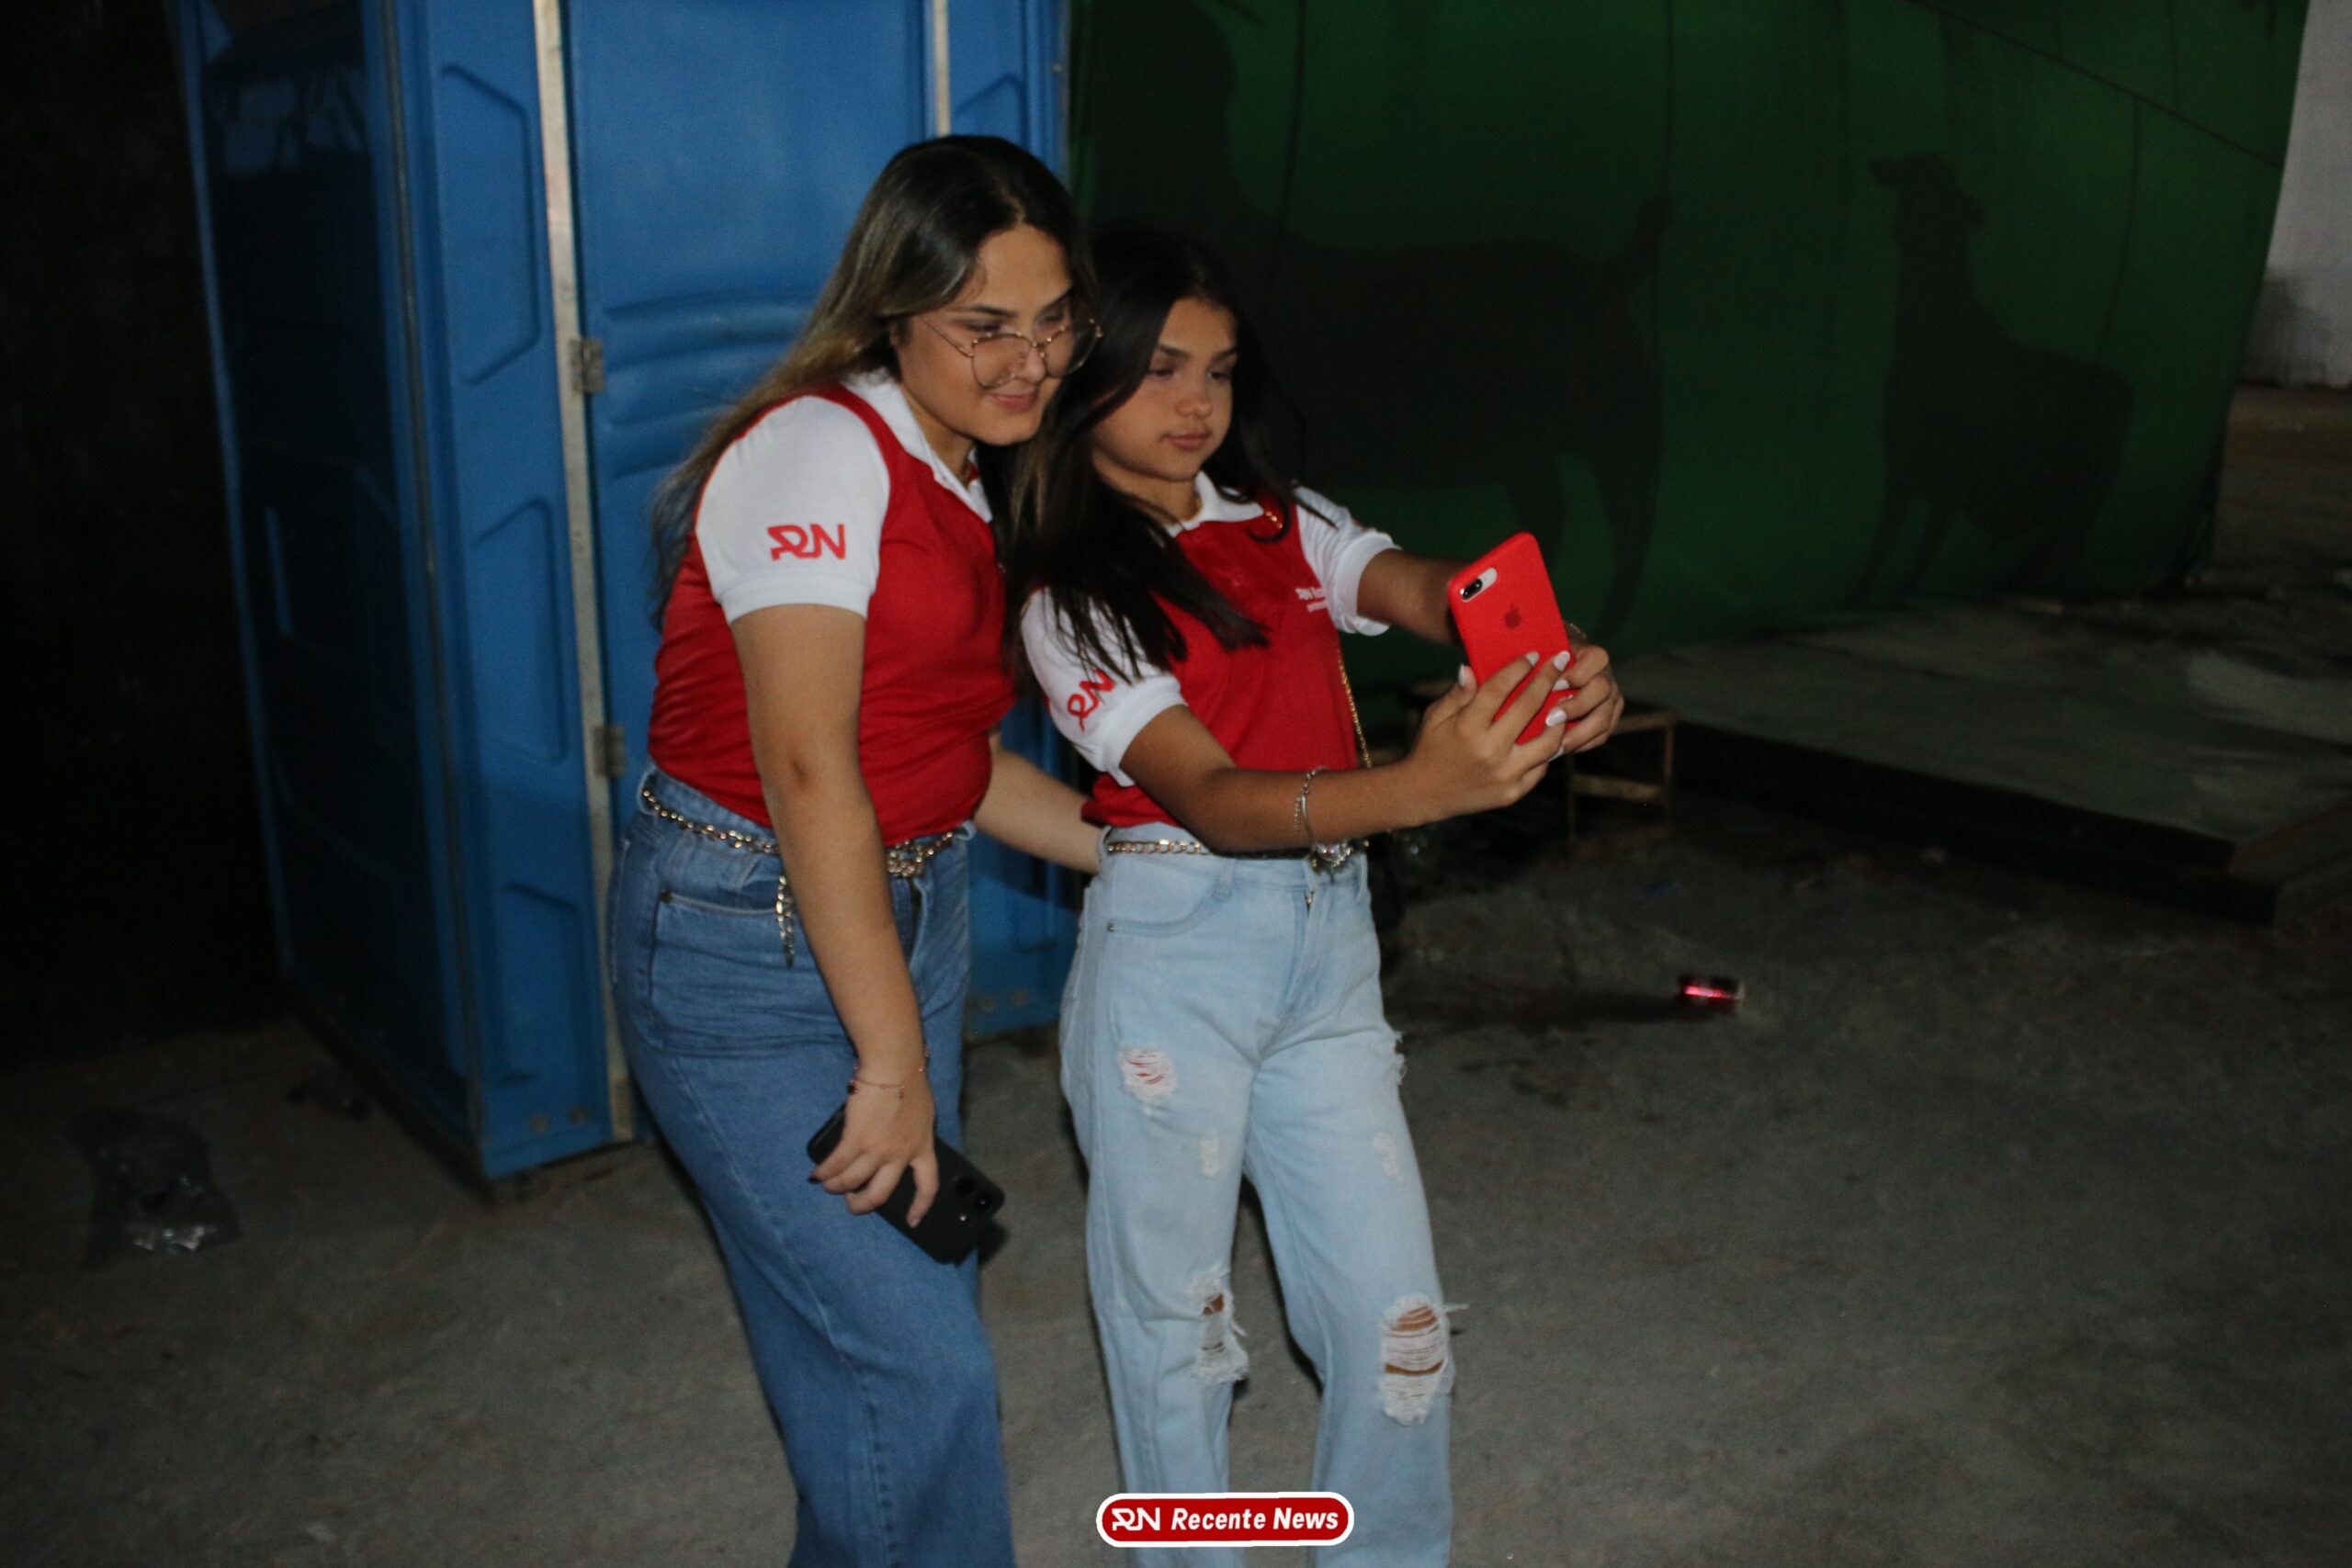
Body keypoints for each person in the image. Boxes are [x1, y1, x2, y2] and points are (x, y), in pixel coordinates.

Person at [1010, 226, 1625, 1566]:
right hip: (1175, 956)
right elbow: (1215, 798)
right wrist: (1419, 787)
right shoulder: (1072, 593)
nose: (1196, 403)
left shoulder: (1283, 519)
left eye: (1220, 370)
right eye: (1160, 368)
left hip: (1327, 952)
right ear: (1083, 376)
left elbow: (1425, 588)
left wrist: (1545, 656)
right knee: (1176, 1330)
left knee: (1398, 1325)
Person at [607, 136, 1102, 1568]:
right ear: (894, 310)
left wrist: (1148, 848)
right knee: (917, 1367)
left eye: (1054, 320)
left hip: (901, 909)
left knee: (875, 1343)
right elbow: (811, 767)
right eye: (986, 327)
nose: (1030, 362)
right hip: (745, 936)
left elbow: (948, 757)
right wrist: (891, 1064)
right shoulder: (821, 447)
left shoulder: (967, 462)